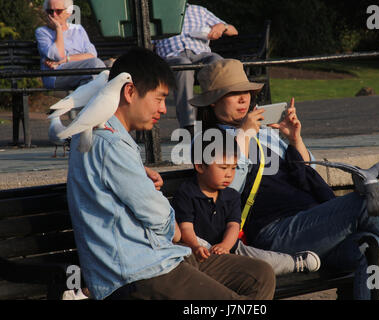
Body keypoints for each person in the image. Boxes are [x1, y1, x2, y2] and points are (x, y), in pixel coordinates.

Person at [188, 58, 379, 300]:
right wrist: (243, 137)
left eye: (245, 91)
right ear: (213, 100)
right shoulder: (210, 141)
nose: (243, 98)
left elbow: (308, 176)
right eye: (233, 93)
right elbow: (224, 198)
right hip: (274, 234)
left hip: (312, 228)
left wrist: (295, 140)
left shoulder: (265, 133)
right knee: (364, 202)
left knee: (372, 246)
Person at [66, 47, 275, 300]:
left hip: (162, 257)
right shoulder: (109, 142)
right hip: (137, 273)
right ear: (130, 91)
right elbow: (153, 212)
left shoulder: (107, 137)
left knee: (261, 274)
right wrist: (180, 233)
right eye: (159, 98)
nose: (164, 109)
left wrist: (139, 172)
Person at [173, 129, 321, 275]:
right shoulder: (187, 193)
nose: (229, 174)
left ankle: (294, 263)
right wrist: (195, 246)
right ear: (200, 166)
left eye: (233, 167)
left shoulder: (231, 195)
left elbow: (233, 225)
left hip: (230, 247)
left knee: (263, 261)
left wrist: (225, 245)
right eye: (223, 168)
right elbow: (186, 227)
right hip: (198, 249)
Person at [153, 3, 238, 135]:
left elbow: (233, 30)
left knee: (218, 62)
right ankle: (189, 126)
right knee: (183, 64)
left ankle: (222, 120)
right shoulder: (157, 12)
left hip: (201, 55)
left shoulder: (199, 10)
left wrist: (222, 27)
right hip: (172, 57)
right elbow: (148, 42)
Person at [35, 0, 106, 89]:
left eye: (58, 11)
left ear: (68, 12)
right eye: (50, 11)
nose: (54, 15)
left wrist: (67, 59)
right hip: (56, 76)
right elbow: (58, 55)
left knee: (91, 79)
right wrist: (58, 29)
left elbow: (92, 55)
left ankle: (78, 101)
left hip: (82, 72)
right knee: (97, 66)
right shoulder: (42, 32)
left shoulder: (78, 29)